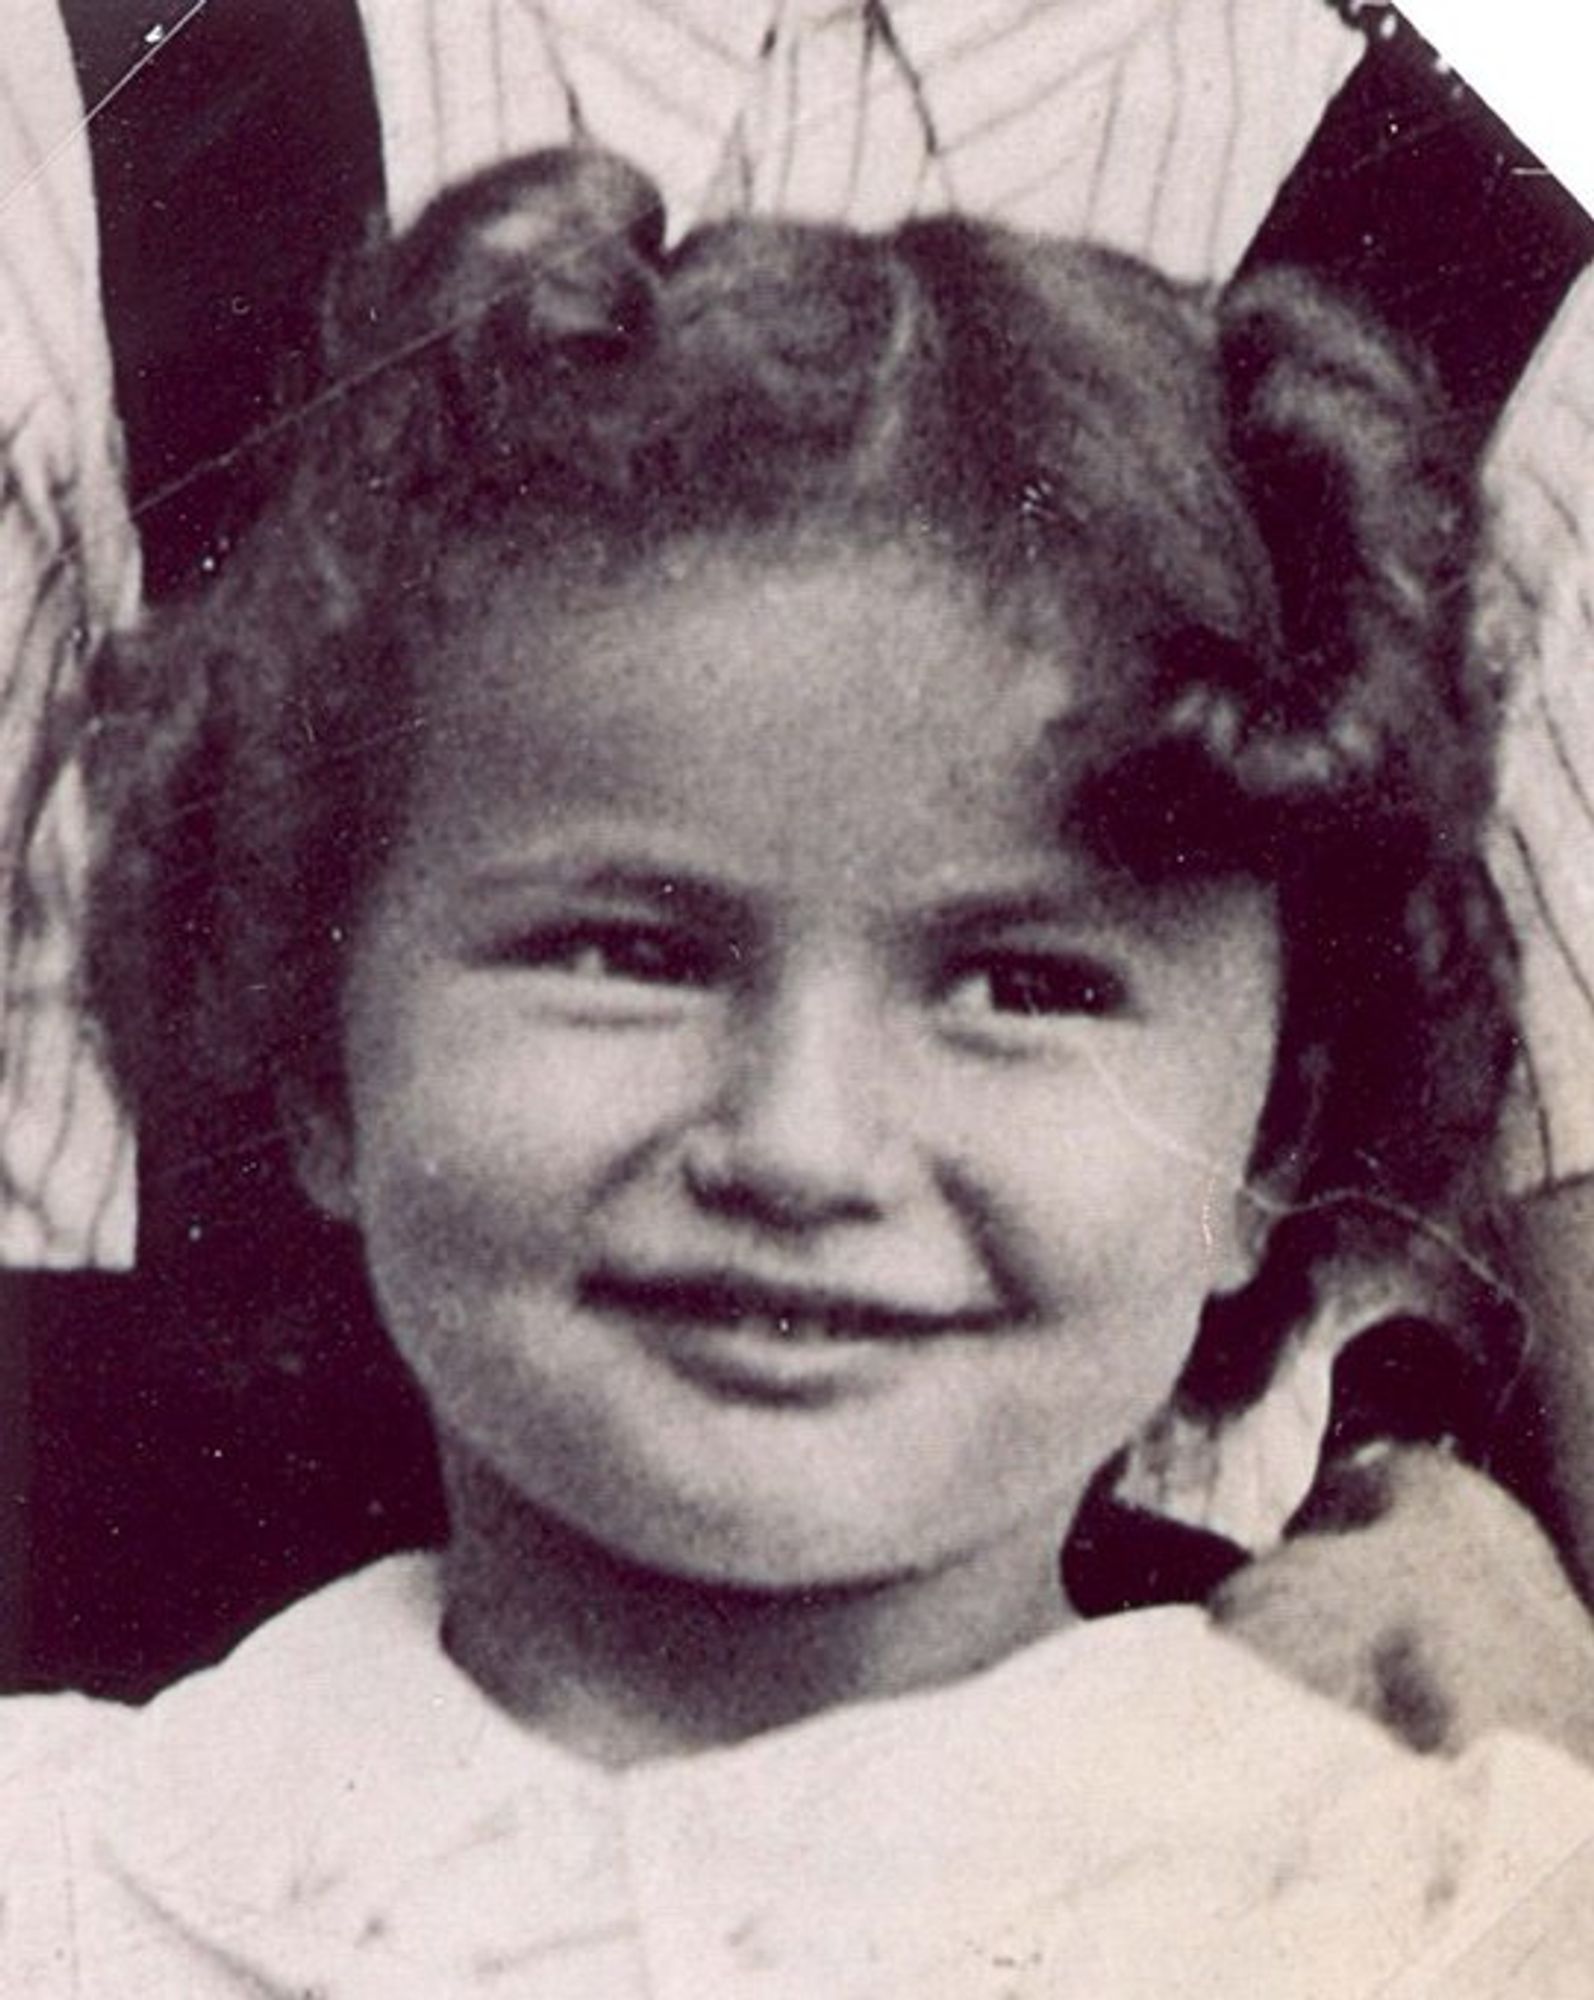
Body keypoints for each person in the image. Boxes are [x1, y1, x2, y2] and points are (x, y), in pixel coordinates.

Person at [7, 147, 1594, 1994]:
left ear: (1271, 1138)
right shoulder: (67, 1875)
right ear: (317, 1057)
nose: (798, 1145)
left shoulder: (1445, 1927)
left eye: (1022, 985)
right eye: (627, 953)